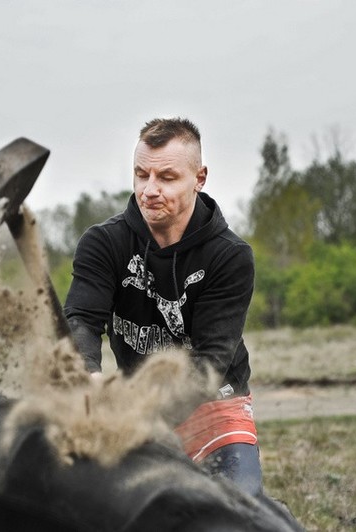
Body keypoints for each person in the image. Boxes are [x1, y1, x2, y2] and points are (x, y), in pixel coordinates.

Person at [64, 117, 262, 497]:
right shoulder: (104, 244)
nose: (150, 190)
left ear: (199, 178)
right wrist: (88, 376)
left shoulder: (229, 256)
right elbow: (81, 321)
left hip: (214, 410)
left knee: (237, 510)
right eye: (141, 174)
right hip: (131, 413)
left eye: (167, 177)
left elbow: (208, 363)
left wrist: (136, 412)